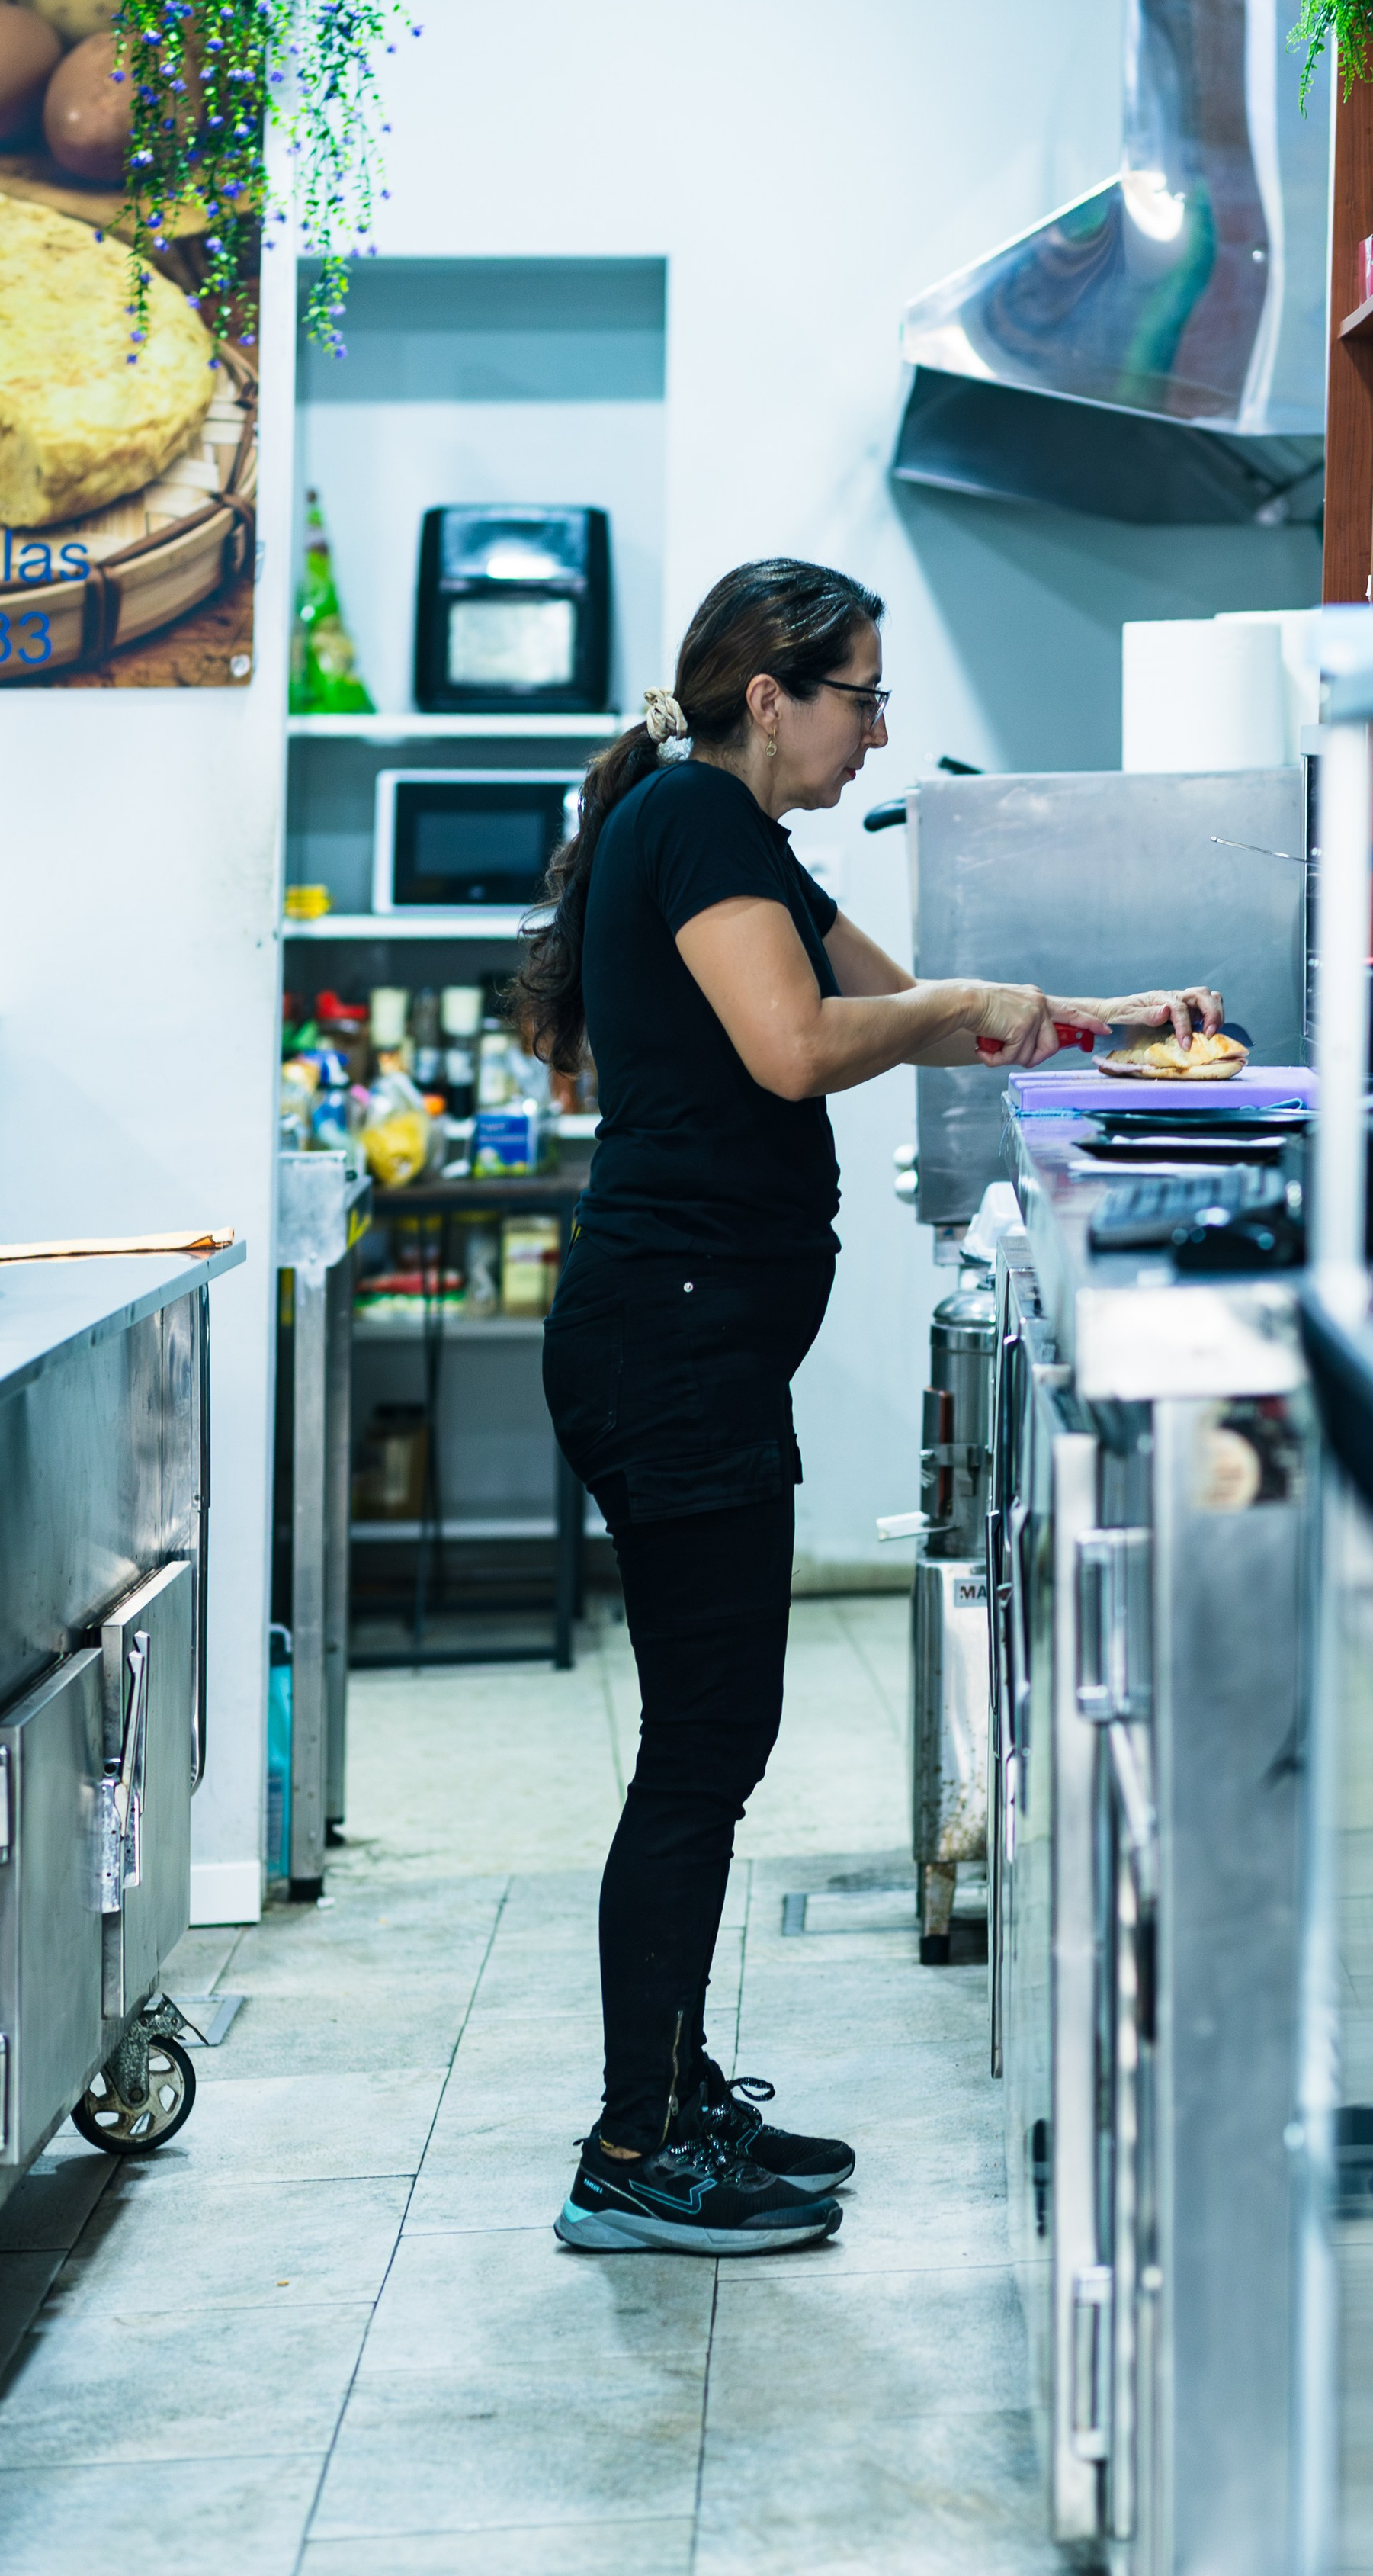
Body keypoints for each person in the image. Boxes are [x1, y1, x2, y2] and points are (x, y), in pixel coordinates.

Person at [517, 557, 1221, 2256]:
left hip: (689, 1344)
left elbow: (893, 1009)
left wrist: (1092, 1021)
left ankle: (674, 2100)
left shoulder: (734, 839)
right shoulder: (687, 822)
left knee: (713, 1738)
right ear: (771, 696)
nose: (877, 730)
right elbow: (796, 1045)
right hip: (665, 1347)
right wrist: (959, 1009)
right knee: (704, 1747)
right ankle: (633, 2148)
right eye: (863, 697)